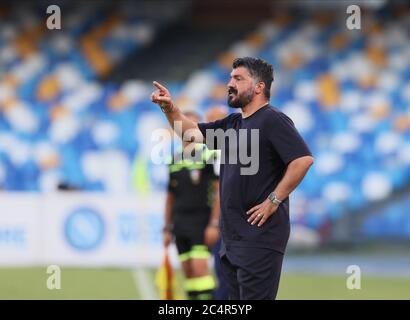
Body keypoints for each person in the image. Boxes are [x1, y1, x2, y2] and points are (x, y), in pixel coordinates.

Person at [152, 57, 314, 300]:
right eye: (230, 78)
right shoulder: (233, 124)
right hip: (232, 239)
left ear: (259, 87)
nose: (230, 83)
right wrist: (169, 108)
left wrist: (273, 199)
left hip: (259, 237)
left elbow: (302, 160)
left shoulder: (273, 120)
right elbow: (191, 134)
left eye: (238, 79)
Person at [162, 111, 220, 300]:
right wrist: (167, 228)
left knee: (200, 269)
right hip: (180, 223)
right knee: (188, 274)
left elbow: (218, 191)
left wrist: (214, 223)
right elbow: (170, 197)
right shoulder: (174, 160)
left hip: (201, 222)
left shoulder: (208, 156)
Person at [204, 106, 230, 300]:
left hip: (227, 223)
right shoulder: (213, 152)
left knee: (226, 275)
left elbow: (221, 191)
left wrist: (215, 223)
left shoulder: (225, 152)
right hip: (220, 221)